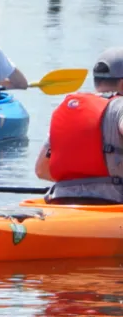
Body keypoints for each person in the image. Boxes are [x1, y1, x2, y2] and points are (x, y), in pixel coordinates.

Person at [35, 47, 123, 204]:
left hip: (60, 198)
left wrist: (79, 184)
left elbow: (41, 170)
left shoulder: (71, 108)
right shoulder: (120, 107)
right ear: (122, 85)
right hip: (112, 200)